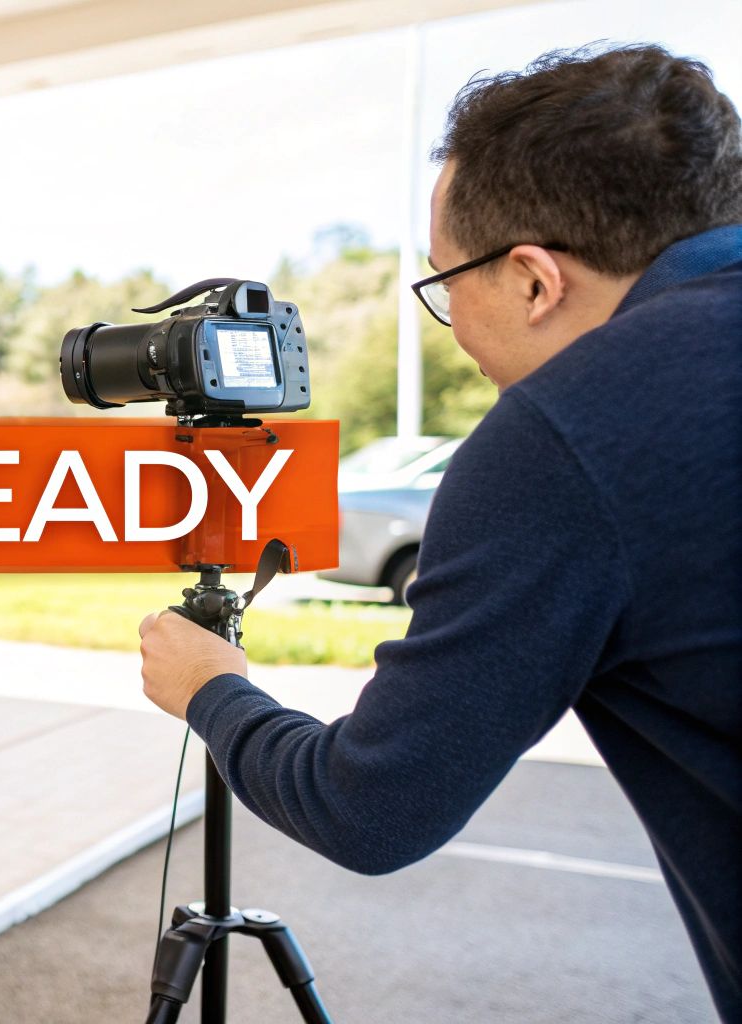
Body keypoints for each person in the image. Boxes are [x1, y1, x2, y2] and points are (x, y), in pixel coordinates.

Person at [135, 44, 742, 1021]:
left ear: (532, 280)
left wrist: (213, 692)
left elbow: (371, 807)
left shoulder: (563, 432)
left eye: (443, 284)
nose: (450, 327)